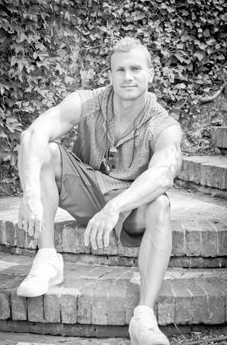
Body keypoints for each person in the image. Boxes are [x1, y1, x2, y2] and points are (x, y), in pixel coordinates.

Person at [17, 37, 182, 345]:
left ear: (151, 74)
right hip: (85, 187)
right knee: (49, 151)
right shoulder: (89, 101)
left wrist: (115, 206)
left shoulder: (163, 125)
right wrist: (29, 194)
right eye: (120, 70)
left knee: (160, 205)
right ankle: (48, 257)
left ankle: (143, 317)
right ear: (110, 74)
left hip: (127, 204)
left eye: (135, 68)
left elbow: (162, 175)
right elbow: (34, 134)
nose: (128, 76)